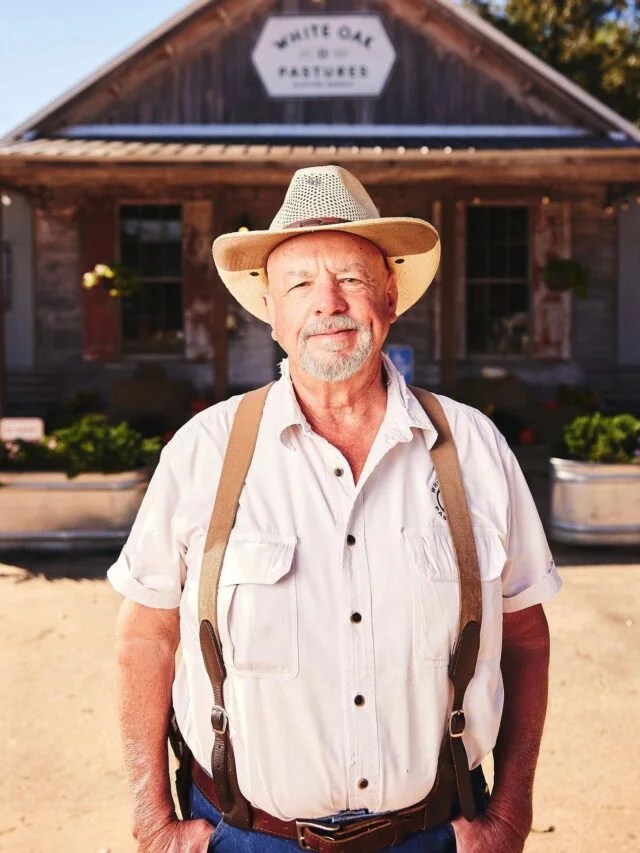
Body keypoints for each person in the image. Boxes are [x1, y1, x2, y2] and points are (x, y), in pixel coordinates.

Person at [109, 165, 561, 853]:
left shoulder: (472, 446)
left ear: (389, 297)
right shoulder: (203, 450)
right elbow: (146, 635)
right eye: (299, 283)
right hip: (244, 836)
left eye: (350, 278)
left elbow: (525, 636)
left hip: (435, 834)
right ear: (271, 310)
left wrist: (512, 812)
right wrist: (149, 814)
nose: (328, 302)